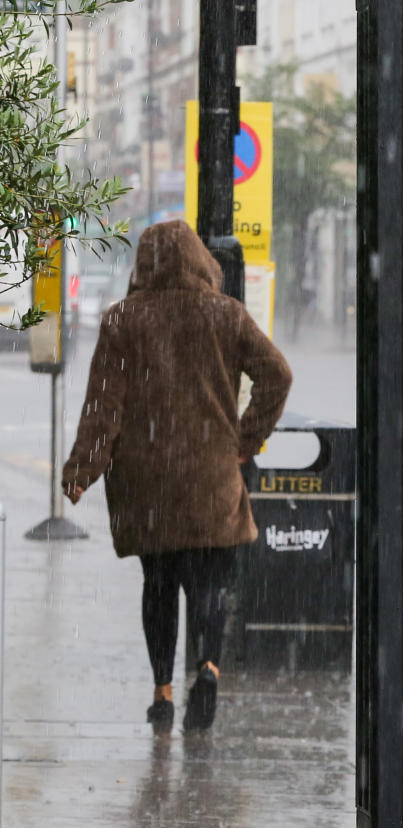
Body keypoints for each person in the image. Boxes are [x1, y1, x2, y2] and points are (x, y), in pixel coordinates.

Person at [62, 220, 292, 733]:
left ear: (145, 264)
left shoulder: (125, 319)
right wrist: (246, 439)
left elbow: (104, 407)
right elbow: (278, 374)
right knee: (209, 582)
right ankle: (208, 669)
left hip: (148, 483)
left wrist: (82, 470)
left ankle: (162, 693)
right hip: (210, 474)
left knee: (159, 584)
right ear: (197, 260)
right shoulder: (225, 314)